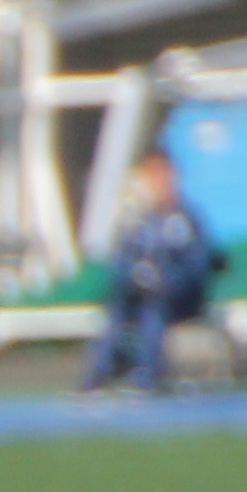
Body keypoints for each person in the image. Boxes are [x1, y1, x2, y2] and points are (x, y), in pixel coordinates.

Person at [82, 149, 216, 398]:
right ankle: (96, 379)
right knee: (117, 311)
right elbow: (122, 263)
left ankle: (145, 378)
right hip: (141, 295)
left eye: (162, 173)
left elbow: (197, 264)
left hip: (179, 298)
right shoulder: (138, 221)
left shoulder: (186, 218)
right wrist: (131, 278)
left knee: (153, 309)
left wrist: (168, 281)